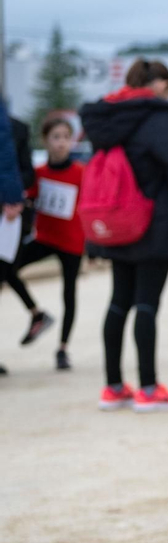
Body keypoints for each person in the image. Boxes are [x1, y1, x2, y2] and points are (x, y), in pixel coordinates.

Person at [80, 58, 168, 411]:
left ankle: (113, 386)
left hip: (116, 218)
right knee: (147, 303)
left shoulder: (107, 117)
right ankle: (148, 389)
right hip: (154, 221)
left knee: (119, 300)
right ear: (158, 84)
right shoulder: (158, 116)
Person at [15, 117, 85, 369]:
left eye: (66, 137)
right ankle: (37, 313)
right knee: (8, 267)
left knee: (69, 293)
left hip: (72, 241)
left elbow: (88, 205)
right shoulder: (39, 173)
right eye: (56, 137)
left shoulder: (80, 172)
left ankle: (63, 348)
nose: (61, 143)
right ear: (45, 140)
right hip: (45, 238)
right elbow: (28, 198)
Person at [2, 109, 56, 354]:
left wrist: (11, 197)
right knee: (7, 272)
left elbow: (26, 174)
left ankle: (37, 314)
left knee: (5, 270)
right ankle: (37, 314)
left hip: (9, 217)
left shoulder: (17, 128)